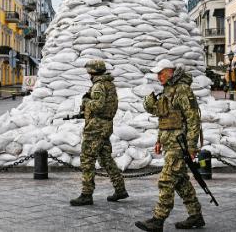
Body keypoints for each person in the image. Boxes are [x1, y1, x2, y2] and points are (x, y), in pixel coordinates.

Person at [136, 59, 205, 231]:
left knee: (166, 181)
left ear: (170, 71)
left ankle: (158, 220)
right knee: (181, 183)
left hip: (180, 146)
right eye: (157, 73)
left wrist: (191, 147)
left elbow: (193, 119)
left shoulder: (182, 90)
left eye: (161, 73)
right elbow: (165, 118)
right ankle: (195, 216)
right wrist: (159, 140)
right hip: (170, 143)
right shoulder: (168, 91)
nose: (158, 76)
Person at [70, 59, 128, 206]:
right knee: (105, 158)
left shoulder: (98, 86)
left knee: (87, 159)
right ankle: (120, 189)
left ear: (92, 71)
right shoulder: (109, 84)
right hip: (106, 125)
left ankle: (86, 194)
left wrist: (85, 102)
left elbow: (97, 105)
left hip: (96, 127)